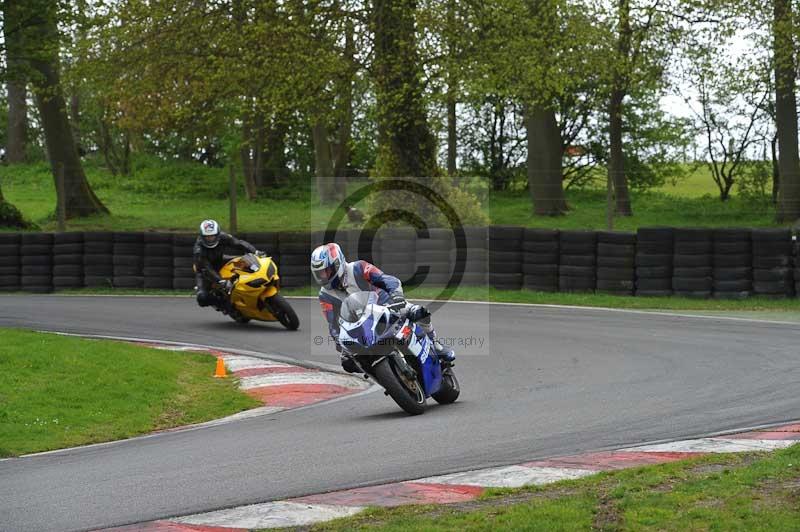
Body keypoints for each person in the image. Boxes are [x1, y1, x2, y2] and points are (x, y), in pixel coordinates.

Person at [310, 242, 454, 373]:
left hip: (386, 305)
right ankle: (382, 375)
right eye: (319, 274)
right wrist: (341, 344)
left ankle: (435, 344)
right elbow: (333, 323)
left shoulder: (358, 268)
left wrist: (397, 296)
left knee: (420, 313)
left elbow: (387, 280)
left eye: (326, 271)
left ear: (337, 263)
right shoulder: (325, 295)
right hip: (359, 325)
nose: (323, 277)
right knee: (348, 363)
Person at [194, 219, 259, 310]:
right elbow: (207, 268)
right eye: (207, 237)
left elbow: (239, 243)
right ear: (202, 236)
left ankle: (252, 286)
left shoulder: (223, 237)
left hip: (220, 259)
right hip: (204, 270)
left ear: (217, 234)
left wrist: (255, 251)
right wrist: (220, 281)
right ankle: (221, 304)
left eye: (212, 236)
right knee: (202, 298)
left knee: (243, 261)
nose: (210, 239)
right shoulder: (199, 250)